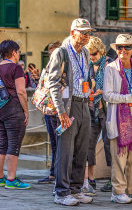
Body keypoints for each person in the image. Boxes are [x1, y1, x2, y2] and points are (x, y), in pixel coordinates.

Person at [48, 18, 94, 206]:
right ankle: (61, 192)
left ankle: (75, 189)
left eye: (88, 33)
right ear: (72, 31)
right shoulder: (61, 52)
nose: (86, 36)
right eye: (83, 32)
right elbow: (53, 82)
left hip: (83, 104)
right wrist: (61, 112)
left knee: (82, 150)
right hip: (68, 105)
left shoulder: (84, 53)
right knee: (65, 151)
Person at [103, 34, 132, 204]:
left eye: (127, 47)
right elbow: (107, 96)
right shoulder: (110, 68)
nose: (123, 50)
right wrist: (130, 98)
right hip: (118, 117)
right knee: (119, 157)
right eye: (119, 47)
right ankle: (117, 192)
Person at [82, 37, 112, 195]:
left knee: (109, 144)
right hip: (91, 109)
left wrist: (101, 92)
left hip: (106, 109)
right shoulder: (87, 65)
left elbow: (115, 88)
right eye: (89, 54)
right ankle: (90, 179)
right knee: (88, 144)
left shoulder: (109, 64)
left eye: (93, 54)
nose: (91, 57)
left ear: (101, 51)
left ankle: (114, 178)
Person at [0, 40, 30, 189]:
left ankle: (0, 178)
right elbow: (21, 91)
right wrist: (26, 111)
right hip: (13, 110)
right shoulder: (16, 68)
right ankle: (11, 179)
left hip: (0, 109)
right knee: (14, 144)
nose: (19, 54)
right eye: (18, 52)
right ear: (13, 52)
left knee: (1, 145)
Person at [35, 41, 61, 184]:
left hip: (55, 109)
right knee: (54, 142)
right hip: (49, 109)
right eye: (50, 53)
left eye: (53, 53)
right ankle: (53, 174)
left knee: (58, 143)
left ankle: (56, 174)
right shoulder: (50, 66)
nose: (51, 55)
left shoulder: (60, 66)